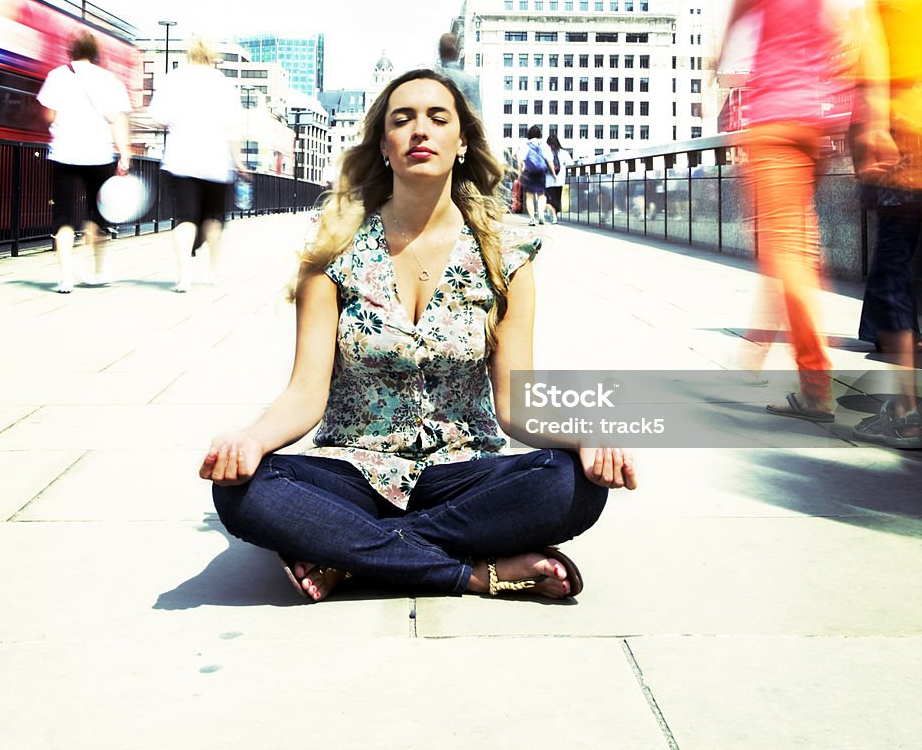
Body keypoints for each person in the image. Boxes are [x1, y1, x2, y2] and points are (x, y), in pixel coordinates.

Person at [199, 67, 636, 602]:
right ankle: (473, 573)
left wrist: (584, 436)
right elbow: (305, 392)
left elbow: (515, 403)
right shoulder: (334, 251)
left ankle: (351, 556)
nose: (420, 130)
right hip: (354, 472)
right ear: (385, 146)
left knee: (573, 486)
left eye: (437, 118)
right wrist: (251, 440)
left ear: (461, 142)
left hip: (463, 472)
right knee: (243, 495)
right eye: (402, 120)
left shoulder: (506, 257)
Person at [718, 0, 838, 420]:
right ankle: (755, 351)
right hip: (813, 120)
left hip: (770, 117)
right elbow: (838, 34)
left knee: (785, 252)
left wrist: (716, 62)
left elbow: (736, 18)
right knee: (790, 244)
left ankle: (816, 385)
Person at [850, 0, 922, 449]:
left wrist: (872, 129)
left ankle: (904, 410)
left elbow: (871, 67)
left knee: (895, 276)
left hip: (908, 148)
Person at [36, 30, 132, 294]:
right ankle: (98, 271)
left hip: (64, 153)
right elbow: (117, 119)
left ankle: (65, 278)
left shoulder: (57, 75)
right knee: (98, 215)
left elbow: (48, 114)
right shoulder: (108, 80)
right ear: (95, 54)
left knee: (64, 216)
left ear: (72, 51)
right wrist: (124, 154)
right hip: (98, 154)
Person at [148, 37, 244, 292]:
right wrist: (240, 162)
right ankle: (213, 272)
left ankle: (184, 276)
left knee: (185, 219)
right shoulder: (223, 84)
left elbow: (158, 118)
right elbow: (233, 128)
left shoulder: (173, 79)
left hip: (180, 161)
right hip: (216, 163)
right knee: (213, 219)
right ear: (212, 55)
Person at [437, 32, 481, 115]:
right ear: (457, 52)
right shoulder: (471, 82)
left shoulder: (432, 78)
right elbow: (477, 117)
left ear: (440, 52)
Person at [518, 124, 551, 226]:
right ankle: (541, 215)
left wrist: (519, 175)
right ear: (539, 134)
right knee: (541, 194)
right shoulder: (544, 145)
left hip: (529, 172)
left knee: (529, 196)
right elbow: (549, 160)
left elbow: (520, 161)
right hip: (541, 172)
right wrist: (553, 173)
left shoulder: (525, 145)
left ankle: (532, 218)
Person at [544, 131, 570, 224]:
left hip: (548, 181)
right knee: (557, 199)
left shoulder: (546, 153)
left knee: (547, 199)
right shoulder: (564, 153)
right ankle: (555, 216)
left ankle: (552, 215)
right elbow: (570, 164)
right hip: (559, 180)